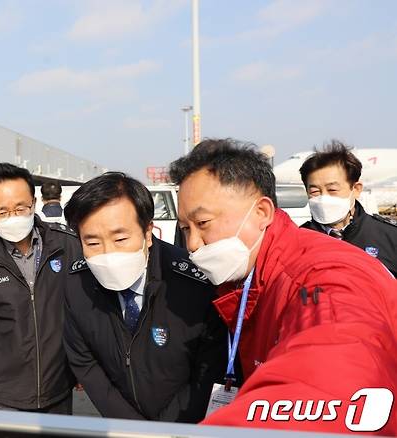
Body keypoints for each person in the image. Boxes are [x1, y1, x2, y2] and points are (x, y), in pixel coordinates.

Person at [169, 139, 397, 434]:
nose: (192, 244)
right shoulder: (252, 276)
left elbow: (330, 385)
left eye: (203, 223)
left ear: (262, 212)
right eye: (185, 228)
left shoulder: (322, 276)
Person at [62, 172, 227, 422]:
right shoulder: (77, 285)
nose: (108, 253)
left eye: (120, 239)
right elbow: (85, 362)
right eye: (93, 243)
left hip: (188, 426)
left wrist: (165, 430)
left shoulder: (194, 283)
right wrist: (131, 427)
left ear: (148, 232)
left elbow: (208, 370)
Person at [0, 162, 81, 414]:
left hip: (59, 388)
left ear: (34, 203)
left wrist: (82, 366)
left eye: (21, 207)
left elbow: (84, 311)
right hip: (5, 398)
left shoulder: (67, 246)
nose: (13, 216)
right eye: (1, 211)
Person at [299, 140, 397, 276]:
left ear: (356, 189)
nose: (323, 198)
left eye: (332, 189)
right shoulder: (298, 241)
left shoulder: (389, 237)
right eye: (315, 192)